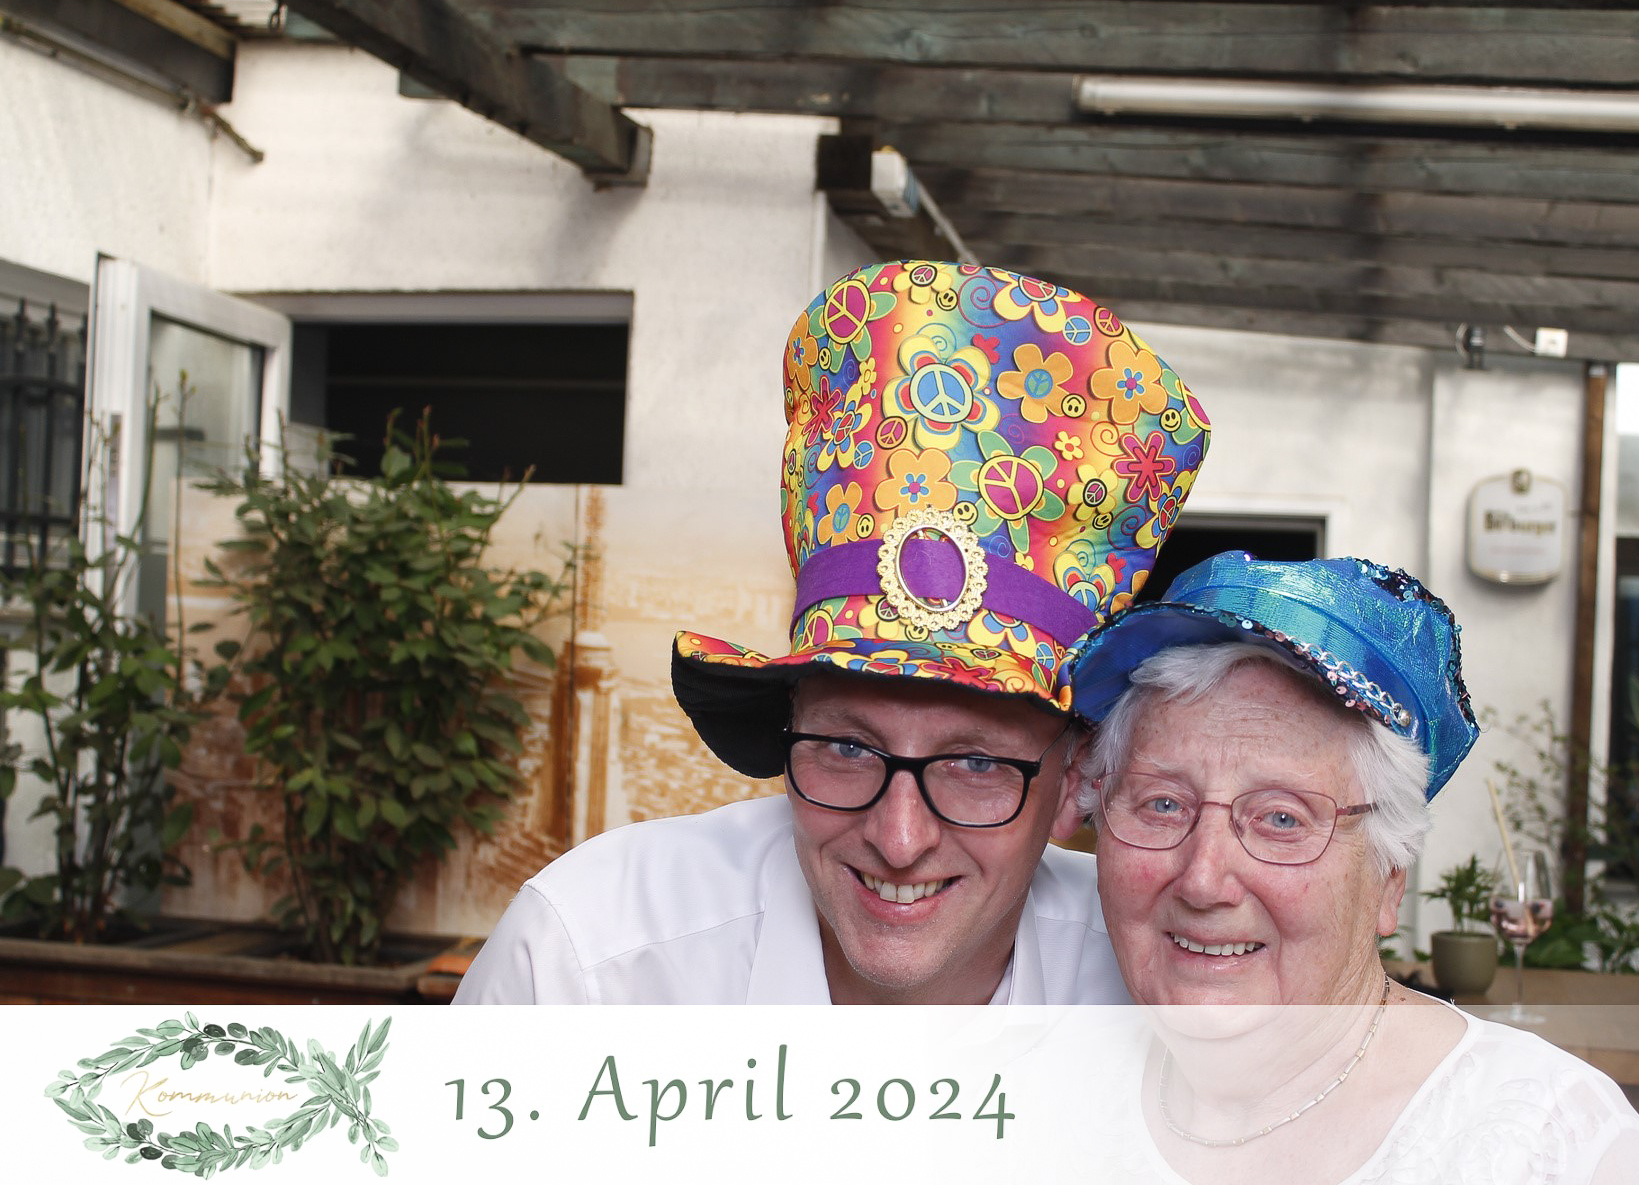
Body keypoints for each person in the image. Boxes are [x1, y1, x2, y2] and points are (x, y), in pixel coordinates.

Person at [455, 260, 1213, 1004]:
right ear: (789, 730)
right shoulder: (586, 968)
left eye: (976, 764)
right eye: (847, 749)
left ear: (1077, 782)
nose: (900, 840)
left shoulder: (1156, 992)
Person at [1055, 551, 1639, 1182]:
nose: (1204, 880)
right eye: (1161, 804)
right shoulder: (1045, 1090)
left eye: (1282, 819)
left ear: (1389, 878)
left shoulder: (1550, 1146)